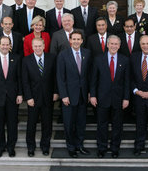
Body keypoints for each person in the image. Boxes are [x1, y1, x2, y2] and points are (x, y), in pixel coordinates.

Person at [89, 35, 129, 158]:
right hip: (102, 98)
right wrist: (93, 96)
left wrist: (126, 98)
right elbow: (93, 79)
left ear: (119, 45)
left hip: (118, 98)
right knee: (102, 124)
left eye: (116, 44)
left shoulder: (125, 60)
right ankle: (101, 148)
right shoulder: (98, 59)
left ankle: (115, 148)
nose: (114, 46)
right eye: (111, 43)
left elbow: (127, 81)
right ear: (107, 44)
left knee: (117, 125)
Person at [0, 36, 23, 158]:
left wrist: (20, 94)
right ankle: (0, 147)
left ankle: (11, 147)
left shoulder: (16, 59)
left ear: (10, 46)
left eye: (7, 44)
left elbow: (19, 78)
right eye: (3, 44)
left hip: (12, 97)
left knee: (12, 124)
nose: (5, 46)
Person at [56, 30, 92, 158]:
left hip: (82, 95)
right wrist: (63, 95)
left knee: (81, 123)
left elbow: (89, 75)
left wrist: (89, 93)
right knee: (69, 123)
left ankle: (79, 145)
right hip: (69, 96)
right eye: (74, 39)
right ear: (70, 41)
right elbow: (60, 77)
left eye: (78, 39)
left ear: (82, 41)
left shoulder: (87, 54)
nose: (76, 41)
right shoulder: (63, 55)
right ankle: (71, 147)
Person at [21, 37, 58, 157]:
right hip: (33, 98)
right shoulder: (26, 60)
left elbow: (55, 77)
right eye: (35, 46)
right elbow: (25, 81)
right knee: (31, 124)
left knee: (47, 124)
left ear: (43, 46)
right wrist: (28, 97)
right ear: (32, 47)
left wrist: (55, 92)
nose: (37, 48)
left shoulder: (51, 58)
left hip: (48, 97)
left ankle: (45, 146)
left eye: (39, 46)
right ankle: (30, 147)